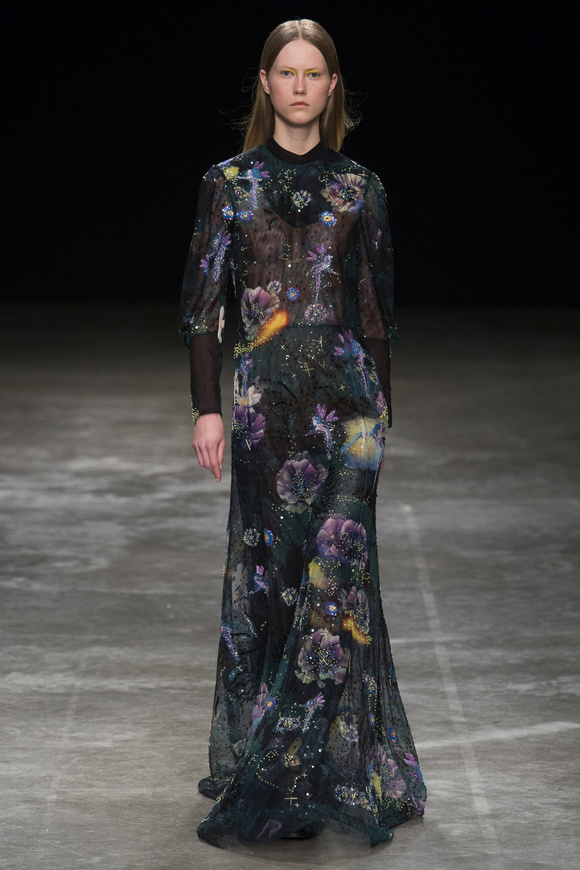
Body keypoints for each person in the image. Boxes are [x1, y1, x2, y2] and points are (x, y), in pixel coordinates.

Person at [178, 18, 426, 848]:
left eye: (313, 73)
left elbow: (375, 314)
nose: (298, 85)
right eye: (285, 72)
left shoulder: (360, 187)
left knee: (336, 585)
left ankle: (315, 767)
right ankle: (278, 762)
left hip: (349, 414)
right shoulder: (228, 184)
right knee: (272, 578)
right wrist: (206, 408)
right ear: (265, 83)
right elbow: (204, 308)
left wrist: (383, 416)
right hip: (263, 419)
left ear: (331, 88)